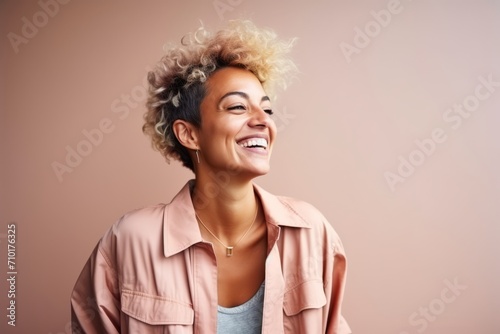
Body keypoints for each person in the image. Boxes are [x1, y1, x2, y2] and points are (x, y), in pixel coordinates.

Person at [70, 20, 351, 334]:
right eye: (237, 107)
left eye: (267, 110)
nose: (262, 121)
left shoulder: (311, 233)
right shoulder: (130, 241)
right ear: (189, 134)